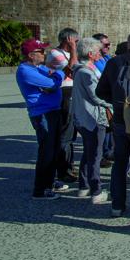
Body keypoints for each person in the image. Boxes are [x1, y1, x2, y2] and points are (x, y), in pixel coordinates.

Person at [96, 30, 130, 217]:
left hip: (120, 118)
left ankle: (117, 205)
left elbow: (100, 92)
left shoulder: (113, 62)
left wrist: (118, 103)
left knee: (119, 163)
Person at [16, 38, 66, 200]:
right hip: (42, 113)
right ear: (31, 55)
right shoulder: (25, 70)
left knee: (54, 149)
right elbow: (53, 84)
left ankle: (50, 181)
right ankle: (41, 189)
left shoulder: (39, 68)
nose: (44, 54)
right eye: (41, 52)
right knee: (47, 151)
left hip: (53, 110)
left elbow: (52, 82)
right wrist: (58, 73)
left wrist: (55, 75)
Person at [71, 38, 112, 204]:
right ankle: (96, 190)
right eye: (97, 51)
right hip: (92, 117)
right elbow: (96, 96)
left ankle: (84, 185)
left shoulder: (80, 69)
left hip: (83, 116)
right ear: (90, 54)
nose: (100, 54)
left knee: (88, 152)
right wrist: (112, 104)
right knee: (95, 154)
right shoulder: (86, 73)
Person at [46, 28, 79, 183]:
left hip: (72, 91)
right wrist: (73, 50)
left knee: (71, 133)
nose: (77, 45)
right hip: (64, 92)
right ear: (68, 40)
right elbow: (71, 68)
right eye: (75, 41)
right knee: (65, 133)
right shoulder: (55, 53)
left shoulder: (68, 53)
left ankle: (69, 165)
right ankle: (63, 170)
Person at [92, 33, 114, 168]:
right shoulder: (95, 61)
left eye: (109, 44)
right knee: (102, 127)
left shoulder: (106, 58)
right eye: (106, 44)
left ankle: (108, 152)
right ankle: (102, 155)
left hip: (109, 96)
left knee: (109, 126)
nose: (108, 46)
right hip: (101, 97)